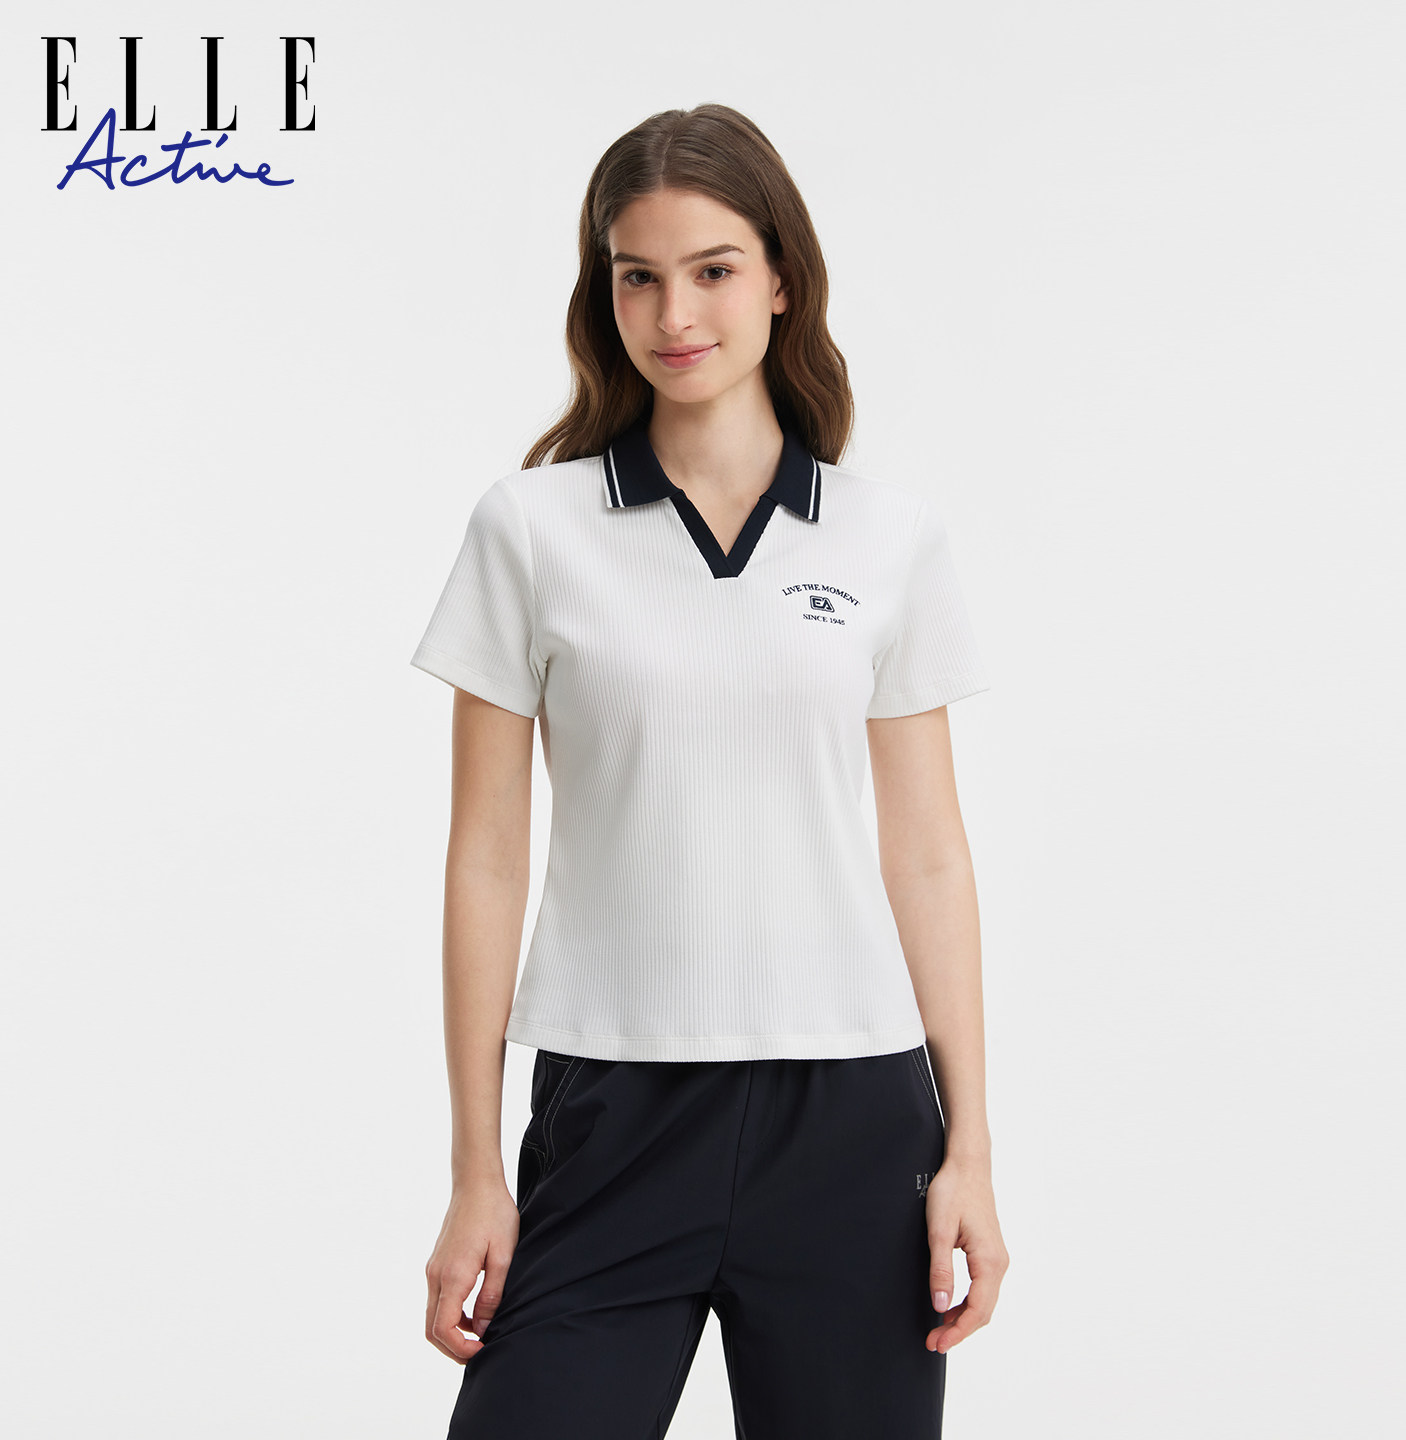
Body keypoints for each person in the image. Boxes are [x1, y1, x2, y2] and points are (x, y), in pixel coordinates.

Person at [410, 102, 1009, 1439]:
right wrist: (474, 1167)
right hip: (611, 1109)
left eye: (714, 270)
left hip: (853, 1120)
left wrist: (969, 1148)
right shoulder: (530, 529)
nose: (674, 314)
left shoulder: (887, 539)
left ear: (782, 279)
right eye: (639, 276)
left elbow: (927, 855)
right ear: (604, 292)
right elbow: (486, 858)